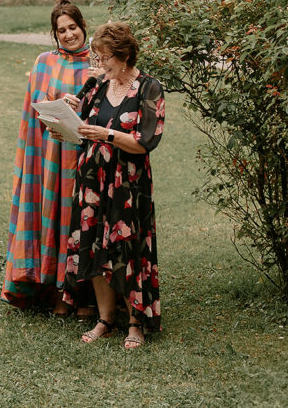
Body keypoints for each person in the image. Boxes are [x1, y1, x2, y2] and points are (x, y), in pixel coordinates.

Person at [59, 22, 165, 349]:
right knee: (91, 243)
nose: (100, 64)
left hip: (128, 183)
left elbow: (146, 141)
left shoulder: (150, 88)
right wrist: (64, 120)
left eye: (105, 58)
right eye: (98, 57)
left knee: (129, 249)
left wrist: (107, 135)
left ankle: (136, 323)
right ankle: (105, 319)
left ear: (124, 55)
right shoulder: (97, 84)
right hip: (92, 178)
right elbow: (80, 126)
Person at [2, 0, 99, 317]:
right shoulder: (44, 61)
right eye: (61, 30)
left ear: (83, 26)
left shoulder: (98, 63)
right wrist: (58, 102)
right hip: (50, 155)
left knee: (81, 219)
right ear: (54, 35)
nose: (68, 34)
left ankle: (82, 293)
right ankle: (53, 290)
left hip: (86, 153)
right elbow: (36, 108)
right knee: (53, 217)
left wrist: (82, 106)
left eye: (73, 27)